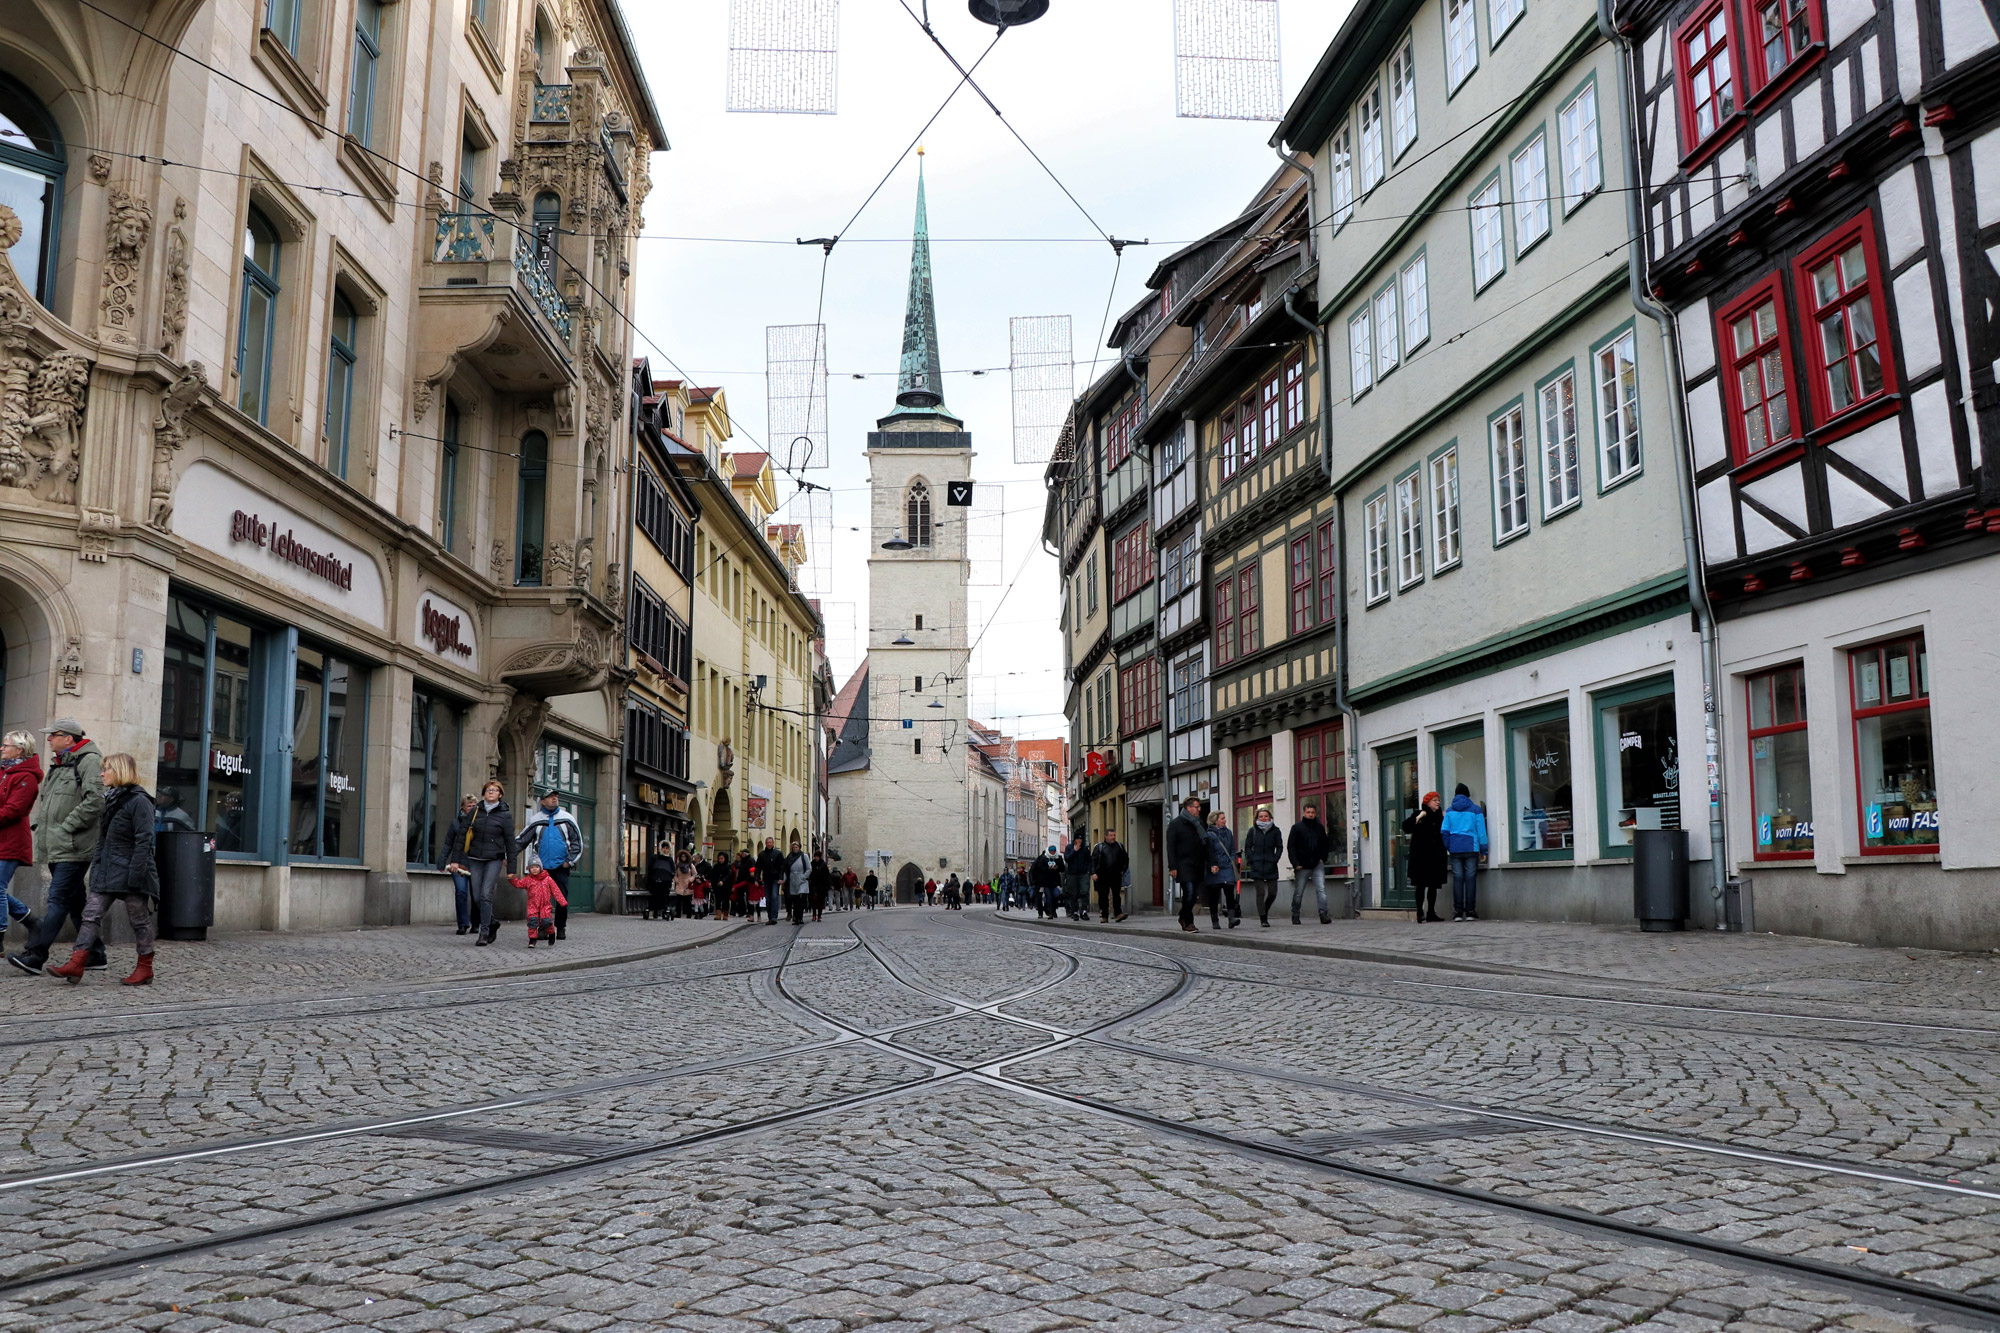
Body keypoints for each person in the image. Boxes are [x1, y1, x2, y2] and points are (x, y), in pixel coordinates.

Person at [48, 753, 158, 986]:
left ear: (119, 771)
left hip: (131, 872)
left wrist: (136, 875)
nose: (101, 773)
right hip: (107, 870)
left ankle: (145, 968)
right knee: (90, 916)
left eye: (106, 769)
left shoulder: (140, 801)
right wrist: (97, 866)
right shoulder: (110, 799)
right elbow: (104, 839)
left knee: (139, 921)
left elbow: (144, 840)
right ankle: (77, 963)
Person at [9, 720, 106, 976]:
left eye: (54, 735)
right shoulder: (60, 763)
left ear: (69, 738)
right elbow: (49, 803)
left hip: (74, 846)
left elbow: (95, 801)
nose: (49, 739)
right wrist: (41, 825)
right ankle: (96, 953)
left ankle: (36, 955)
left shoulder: (89, 761)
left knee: (58, 899)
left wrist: (66, 826)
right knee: (75, 901)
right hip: (56, 844)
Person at [443, 779, 516, 946]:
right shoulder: (475, 811)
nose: (491, 792)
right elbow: (461, 836)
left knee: (485, 894)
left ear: (500, 794)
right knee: (476, 896)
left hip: (494, 859)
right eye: (488, 789)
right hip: (474, 858)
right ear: (484, 793)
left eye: (494, 790)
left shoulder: (505, 815)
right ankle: (492, 922)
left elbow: (510, 842)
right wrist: (455, 860)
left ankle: (484, 932)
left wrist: (511, 868)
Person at [515, 789, 581, 940]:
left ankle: (561, 927)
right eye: (550, 797)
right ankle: (544, 928)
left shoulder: (567, 818)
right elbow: (522, 840)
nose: (554, 799)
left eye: (555, 796)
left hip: (560, 866)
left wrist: (569, 862)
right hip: (541, 869)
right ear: (542, 801)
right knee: (541, 900)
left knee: (561, 898)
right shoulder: (536, 820)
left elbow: (577, 842)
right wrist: (508, 855)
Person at [0, 731, 43, 938]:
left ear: (19, 749)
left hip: (12, 841)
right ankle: (31, 921)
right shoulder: (4, 772)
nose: (2, 748)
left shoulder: (27, 778)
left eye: (6, 745)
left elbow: (13, 810)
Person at [1441, 783, 1489, 921]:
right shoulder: (1476, 810)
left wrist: (1449, 846)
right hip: (1471, 848)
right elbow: (1481, 832)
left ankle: (1457, 912)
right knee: (1470, 879)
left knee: (1457, 879)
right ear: (1468, 794)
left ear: (1455, 795)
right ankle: (1470, 911)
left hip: (1455, 848)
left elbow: (1444, 832)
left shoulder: (1449, 811)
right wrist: (1483, 850)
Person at [1286, 800, 1333, 926]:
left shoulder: (1320, 828)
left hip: (1317, 864)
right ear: (1304, 813)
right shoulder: (1296, 828)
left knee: (1321, 890)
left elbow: (1325, 844)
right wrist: (1295, 864)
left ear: (1316, 813)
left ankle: (1324, 915)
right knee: (1299, 891)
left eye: (1312, 812)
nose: (1311, 814)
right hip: (1302, 865)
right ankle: (1295, 915)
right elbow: (1291, 847)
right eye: (1308, 812)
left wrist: (1323, 857)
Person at [1404, 791, 1449, 923]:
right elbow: (1406, 827)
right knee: (1421, 885)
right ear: (1428, 802)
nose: (1438, 802)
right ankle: (1419, 911)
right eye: (1435, 800)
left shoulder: (1440, 816)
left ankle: (1431, 912)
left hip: (1436, 856)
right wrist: (1417, 818)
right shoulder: (1420, 814)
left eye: (1438, 800)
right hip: (1421, 856)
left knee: (1433, 885)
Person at [1167, 796, 1209, 933]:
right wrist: (1172, 866)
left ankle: (1182, 915)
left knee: (1194, 894)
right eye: (1197, 807)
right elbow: (1170, 847)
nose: (1199, 809)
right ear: (1188, 808)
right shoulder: (1175, 824)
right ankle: (1188, 922)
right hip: (1183, 864)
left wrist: (1211, 862)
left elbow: (1206, 844)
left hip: (1197, 863)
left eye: (1199, 807)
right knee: (1189, 892)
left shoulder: (1199, 824)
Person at [509, 853, 568, 947]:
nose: (534, 869)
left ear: (540, 867)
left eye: (537, 867)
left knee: (546, 922)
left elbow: (556, 891)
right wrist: (512, 879)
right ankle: (532, 940)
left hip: (545, 906)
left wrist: (562, 902)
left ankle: (552, 933)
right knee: (532, 922)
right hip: (533, 906)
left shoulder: (548, 879)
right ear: (529, 869)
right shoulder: (528, 879)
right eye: (532, 867)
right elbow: (519, 884)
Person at [439, 795, 478, 935]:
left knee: (477, 896)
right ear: (462, 807)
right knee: (461, 892)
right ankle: (462, 924)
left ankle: (476, 924)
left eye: (474, 806)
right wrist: (442, 861)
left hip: (476, 863)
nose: (472, 808)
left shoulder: (480, 822)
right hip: (459, 863)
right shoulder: (456, 823)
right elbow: (448, 843)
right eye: (469, 806)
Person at [1241, 804, 1284, 928]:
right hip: (1257, 865)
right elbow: (1247, 847)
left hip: (1271, 865)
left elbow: (1280, 846)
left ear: (1270, 817)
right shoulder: (1253, 831)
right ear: (1256, 818)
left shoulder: (1275, 831)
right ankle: (1263, 918)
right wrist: (1251, 859)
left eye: (1266, 816)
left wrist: (1276, 858)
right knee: (1260, 892)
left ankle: (1264, 909)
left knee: (1272, 893)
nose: (1264, 818)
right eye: (1261, 816)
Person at [1206, 810, 1241, 929]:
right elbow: (1208, 852)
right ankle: (1214, 920)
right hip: (1215, 868)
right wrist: (1212, 864)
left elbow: (1232, 848)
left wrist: (1232, 860)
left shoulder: (1228, 833)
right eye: (1222, 818)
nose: (1225, 820)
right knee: (1214, 895)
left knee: (1229, 892)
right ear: (1215, 821)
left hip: (1227, 867)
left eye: (1224, 818)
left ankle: (1231, 918)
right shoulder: (1209, 835)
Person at [1091, 827, 1128, 923]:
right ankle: (1104, 916)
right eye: (1111, 835)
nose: (1113, 837)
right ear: (1106, 836)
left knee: (1116, 895)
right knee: (1103, 896)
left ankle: (1118, 914)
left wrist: (1123, 870)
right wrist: (1093, 873)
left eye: (1114, 835)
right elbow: (1093, 861)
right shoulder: (1100, 847)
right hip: (1102, 875)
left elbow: (1125, 859)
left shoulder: (1119, 846)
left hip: (1116, 875)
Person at [757, 837, 786, 924]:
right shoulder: (762, 854)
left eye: (770, 842)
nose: (769, 844)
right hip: (766, 879)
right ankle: (770, 916)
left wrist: (781, 878)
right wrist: (757, 878)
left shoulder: (778, 853)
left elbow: (782, 867)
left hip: (775, 879)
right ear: (766, 844)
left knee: (774, 896)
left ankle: (774, 917)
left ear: (773, 843)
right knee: (768, 899)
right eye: (768, 842)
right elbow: (758, 867)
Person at [643, 843, 676, 920]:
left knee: (664, 894)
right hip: (654, 880)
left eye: (667, 848)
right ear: (660, 849)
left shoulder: (669, 859)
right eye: (663, 848)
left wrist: (671, 875)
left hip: (665, 881)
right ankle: (653, 909)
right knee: (654, 894)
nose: (665, 850)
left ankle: (664, 909)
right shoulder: (655, 857)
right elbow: (650, 867)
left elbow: (672, 869)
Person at [1062, 835, 1092, 920]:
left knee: (1084, 892)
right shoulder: (1069, 847)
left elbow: (1089, 860)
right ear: (1074, 840)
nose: (1079, 841)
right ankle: (1074, 912)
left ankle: (1084, 911)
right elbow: (1067, 858)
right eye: (1077, 839)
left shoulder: (1085, 849)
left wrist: (1089, 870)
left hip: (1083, 873)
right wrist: (1074, 851)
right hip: (1072, 874)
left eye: (1080, 839)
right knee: (1073, 894)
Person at [1031, 847, 1063, 919]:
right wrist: (1033, 882)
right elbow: (1035, 871)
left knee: (1055, 896)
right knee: (1045, 897)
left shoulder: (1058, 858)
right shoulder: (1040, 860)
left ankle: (1050, 910)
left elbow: (1062, 868)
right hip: (1042, 882)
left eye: (1053, 851)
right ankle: (1045, 912)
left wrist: (1056, 867)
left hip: (1053, 882)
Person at [808, 852, 832, 922]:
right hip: (814, 885)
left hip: (822, 885)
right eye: (815, 857)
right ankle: (814, 915)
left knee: (820, 901)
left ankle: (819, 916)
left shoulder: (823, 864)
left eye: (817, 857)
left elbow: (827, 875)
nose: (816, 858)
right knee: (814, 901)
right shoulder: (812, 864)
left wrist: (828, 885)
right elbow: (810, 874)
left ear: (820, 857)